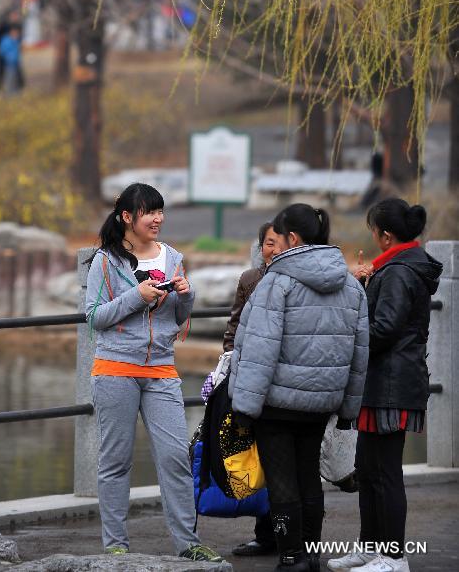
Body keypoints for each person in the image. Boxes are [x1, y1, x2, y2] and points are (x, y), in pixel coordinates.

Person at [85, 182, 223, 562]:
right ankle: (115, 544)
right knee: (116, 460)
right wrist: (136, 296)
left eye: (160, 211)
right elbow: (95, 318)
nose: (158, 219)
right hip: (115, 369)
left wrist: (185, 295)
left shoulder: (172, 257)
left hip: (161, 369)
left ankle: (188, 543)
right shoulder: (105, 261)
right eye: (150, 212)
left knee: (176, 456)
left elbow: (179, 319)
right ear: (127, 217)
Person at [229, 203, 369, 572]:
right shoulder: (352, 286)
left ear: (292, 238)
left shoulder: (277, 282)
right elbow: (360, 352)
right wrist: (347, 410)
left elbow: (259, 348)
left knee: (281, 482)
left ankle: (291, 556)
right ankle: (311, 554)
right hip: (323, 401)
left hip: (277, 402)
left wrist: (244, 405)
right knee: (309, 475)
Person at [328, 199, 442, 572]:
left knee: (386, 472)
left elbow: (385, 329)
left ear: (386, 235)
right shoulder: (398, 267)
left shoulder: (397, 272)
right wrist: (365, 284)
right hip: (385, 381)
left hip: (391, 382)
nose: (374, 237)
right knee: (368, 467)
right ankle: (370, 547)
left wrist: (350, 333)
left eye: (374, 231)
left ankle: (394, 557)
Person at [222, 222, 278, 558]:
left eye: (278, 242)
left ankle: (294, 537)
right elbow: (234, 328)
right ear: (261, 246)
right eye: (267, 243)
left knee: (285, 464)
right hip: (252, 383)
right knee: (258, 459)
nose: (273, 249)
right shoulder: (250, 279)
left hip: (285, 386)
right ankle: (265, 534)